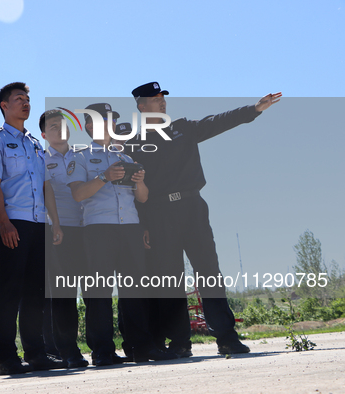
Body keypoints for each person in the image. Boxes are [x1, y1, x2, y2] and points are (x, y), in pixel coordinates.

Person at [127, 81, 281, 355]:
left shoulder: (183, 129)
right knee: (169, 279)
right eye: (155, 99)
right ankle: (179, 342)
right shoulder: (135, 143)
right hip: (159, 213)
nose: (162, 102)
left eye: (163, 97)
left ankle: (226, 337)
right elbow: (134, 188)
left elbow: (218, 122)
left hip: (193, 208)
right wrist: (144, 224)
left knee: (209, 273)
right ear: (141, 106)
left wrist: (254, 109)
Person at [67, 103, 176, 364]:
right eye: (104, 119)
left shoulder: (126, 159)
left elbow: (144, 197)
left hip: (130, 228)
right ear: (89, 126)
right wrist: (104, 177)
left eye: (113, 119)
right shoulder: (79, 156)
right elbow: (78, 194)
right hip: (98, 229)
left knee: (135, 291)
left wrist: (139, 181)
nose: (111, 124)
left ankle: (141, 347)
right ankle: (103, 351)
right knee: (100, 292)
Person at [0, 82, 66, 375]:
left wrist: (53, 220)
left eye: (27, 99)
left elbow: (46, 186)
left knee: (36, 291)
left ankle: (36, 353)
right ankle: (6, 358)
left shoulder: (34, 143)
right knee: (8, 290)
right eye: (19, 99)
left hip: (38, 222)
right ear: (4, 105)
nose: (26, 103)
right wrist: (3, 221)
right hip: (12, 222)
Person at [41, 109, 89, 368]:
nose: (60, 129)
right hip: (59, 231)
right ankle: (67, 351)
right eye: (53, 126)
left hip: (89, 228)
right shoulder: (39, 158)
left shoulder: (84, 154)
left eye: (63, 124)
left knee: (93, 291)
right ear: (43, 134)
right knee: (63, 293)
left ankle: (102, 347)